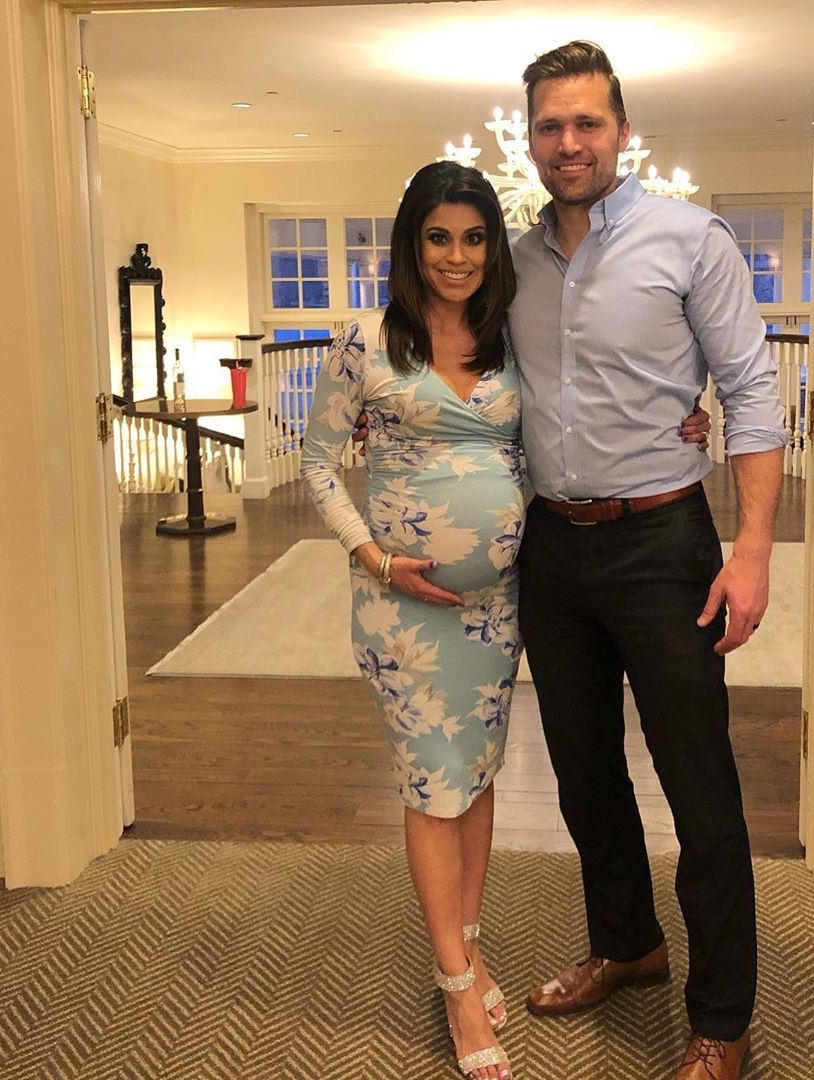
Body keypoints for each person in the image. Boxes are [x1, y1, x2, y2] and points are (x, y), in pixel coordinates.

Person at [303, 161, 710, 1079]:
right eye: (438, 238)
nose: (457, 256)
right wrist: (372, 554)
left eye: (475, 238)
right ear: (411, 243)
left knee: (477, 777)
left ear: (494, 247)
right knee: (431, 788)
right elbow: (319, 462)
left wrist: (683, 420)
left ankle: (470, 944)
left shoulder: (507, 338)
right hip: (402, 614)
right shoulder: (365, 342)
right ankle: (456, 988)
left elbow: (578, 411)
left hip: (496, 610)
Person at [508, 42, 787, 1080]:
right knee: (583, 771)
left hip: (664, 544)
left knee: (698, 785)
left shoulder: (688, 239)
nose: (569, 142)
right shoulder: (513, 261)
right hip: (551, 548)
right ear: (528, 137)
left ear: (622, 131)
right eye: (550, 125)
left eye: (587, 122)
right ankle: (627, 944)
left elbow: (750, 392)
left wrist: (751, 552)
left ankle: (722, 1018)